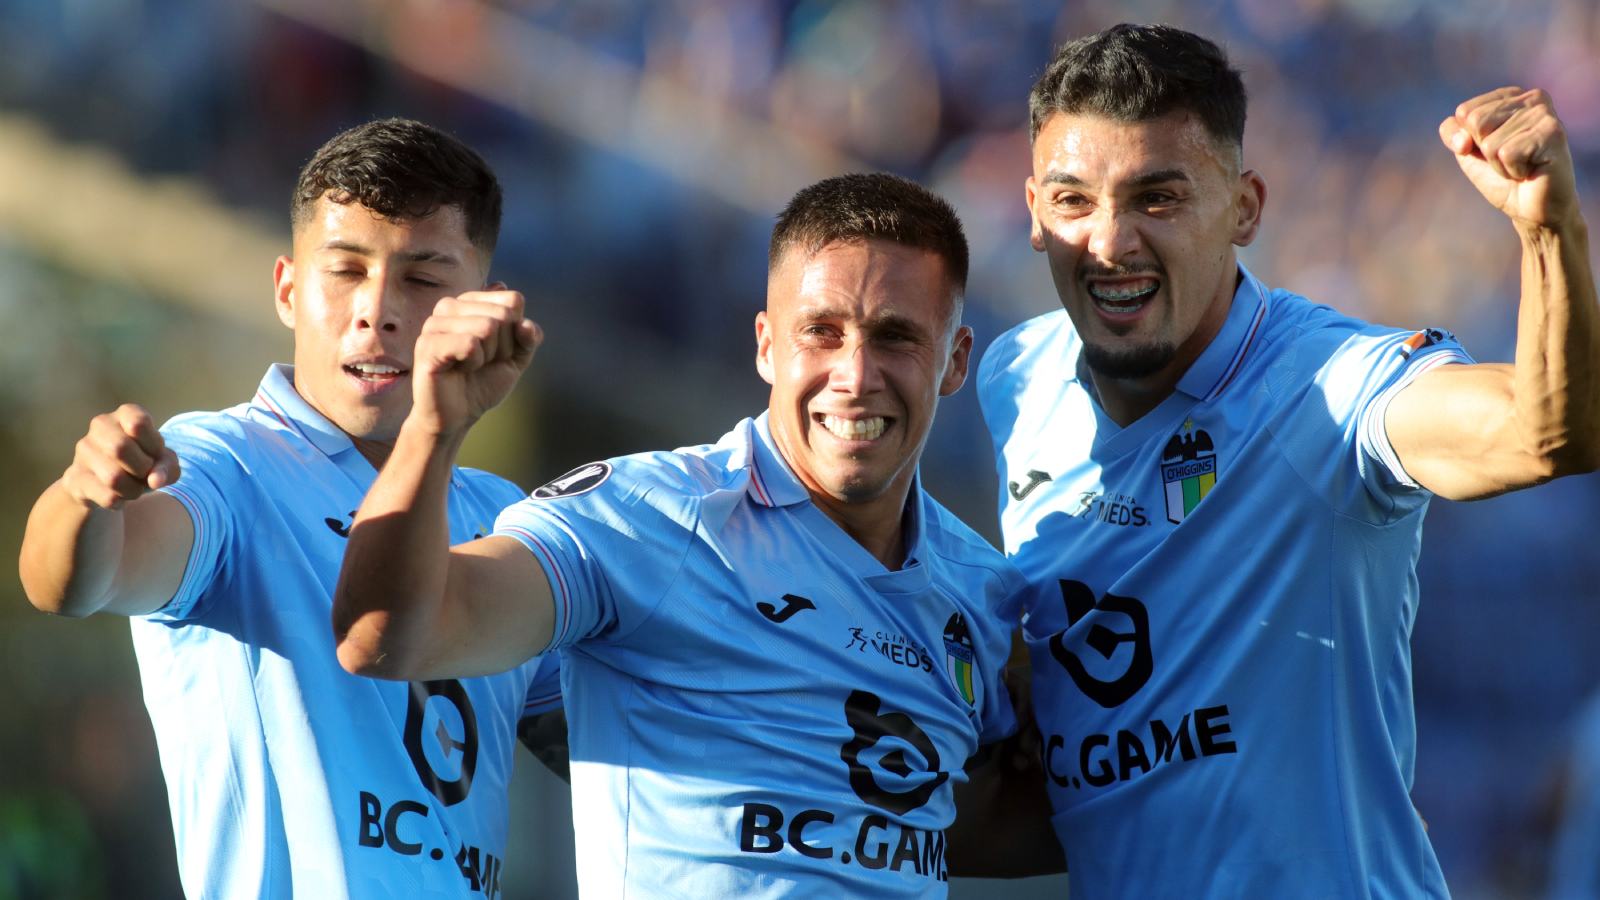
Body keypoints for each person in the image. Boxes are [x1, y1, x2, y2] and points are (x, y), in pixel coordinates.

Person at [976, 23, 1599, 897]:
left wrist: (1549, 231)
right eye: (1076, 200)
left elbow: (1545, 434)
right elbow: (1083, 783)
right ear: (1036, 212)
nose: (1111, 242)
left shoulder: (1330, 388)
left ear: (1245, 208)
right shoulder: (1017, 377)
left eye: (1158, 197)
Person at [330, 172, 1057, 896]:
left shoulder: (983, 591)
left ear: (956, 360)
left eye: (895, 337)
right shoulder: (646, 518)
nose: (855, 373)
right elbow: (387, 635)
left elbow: (974, 820)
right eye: (822, 333)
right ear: (768, 345)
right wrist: (432, 428)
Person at [18, 118, 564, 898]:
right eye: (345, 269)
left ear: (484, 304)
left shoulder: (504, 516)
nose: (376, 310)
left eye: (422, 278)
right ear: (287, 289)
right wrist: (84, 497)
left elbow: (605, 740)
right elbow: (70, 583)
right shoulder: (227, 465)